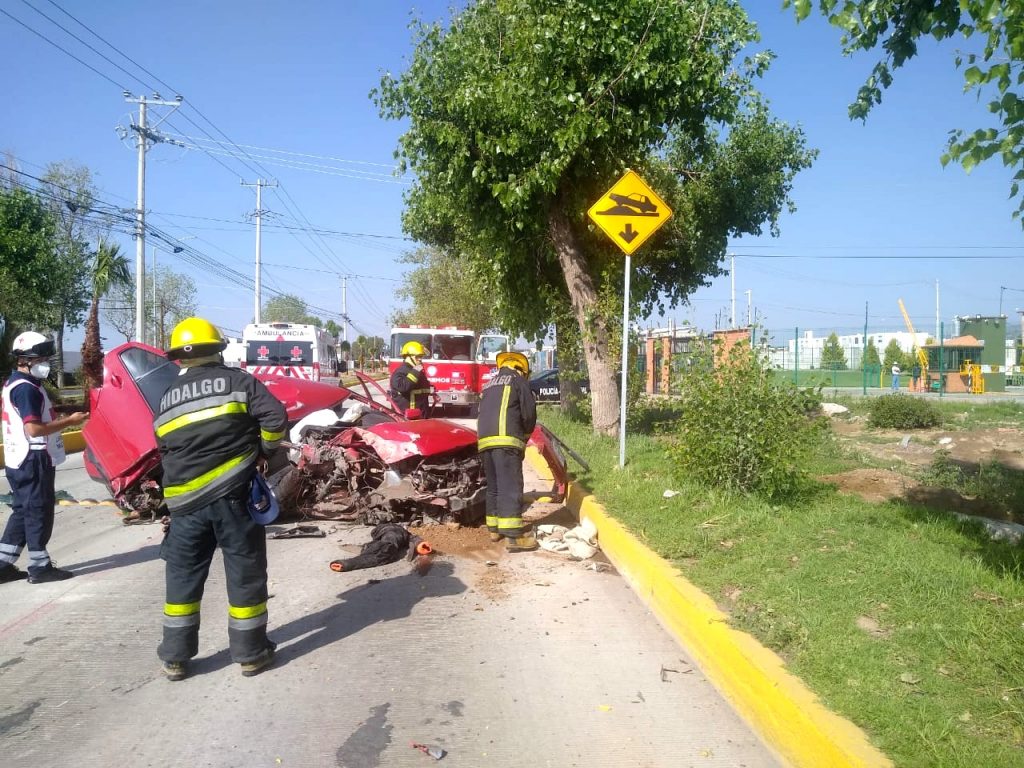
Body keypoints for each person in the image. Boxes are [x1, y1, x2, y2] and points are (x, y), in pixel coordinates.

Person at [153, 317, 287, 681]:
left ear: (179, 357)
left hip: (183, 506)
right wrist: (264, 450)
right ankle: (251, 654)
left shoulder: (166, 398)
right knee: (244, 574)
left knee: (182, 579)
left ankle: (176, 658)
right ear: (218, 348)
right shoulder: (239, 382)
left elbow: (162, 445)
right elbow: (275, 418)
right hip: (232, 497)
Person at [0, 332, 88, 584]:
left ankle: (3, 564)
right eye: (42, 358)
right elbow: (34, 429)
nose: (46, 362)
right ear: (25, 359)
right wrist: (69, 422)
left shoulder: (14, 384)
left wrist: (62, 412)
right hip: (32, 458)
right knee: (38, 511)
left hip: (17, 458)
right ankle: (40, 567)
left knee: (22, 510)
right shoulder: (28, 390)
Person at [477, 351, 538, 552]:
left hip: (485, 443)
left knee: (494, 487)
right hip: (507, 441)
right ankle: (513, 537)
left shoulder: (489, 384)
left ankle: (494, 529)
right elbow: (528, 414)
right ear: (521, 369)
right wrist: (525, 436)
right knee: (510, 487)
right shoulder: (518, 381)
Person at [389, 340, 432, 413]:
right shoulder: (400, 372)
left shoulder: (416, 370)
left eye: (421, 356)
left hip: (419, 413)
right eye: (417, 357)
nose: (420, 359)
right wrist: (416, 371)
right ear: (408, 357)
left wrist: (432, 392)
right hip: (406, 416)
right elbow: (403, 387)